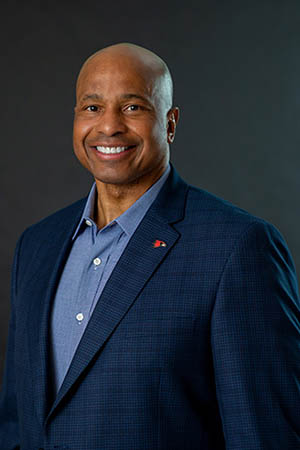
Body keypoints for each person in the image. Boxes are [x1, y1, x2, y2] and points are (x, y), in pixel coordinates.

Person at [0, 42, 299, 450]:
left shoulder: (237, 248)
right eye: (92, 108)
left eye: (132, 107)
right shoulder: (37, 245)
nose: (108, 126)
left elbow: (264, 436)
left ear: (171, 122)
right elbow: (17, 423)